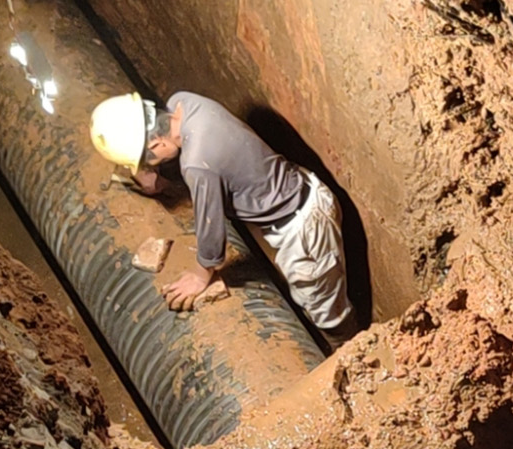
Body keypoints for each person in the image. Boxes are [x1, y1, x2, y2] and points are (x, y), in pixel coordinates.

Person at [89, 90, 358, 347]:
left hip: (304, 228)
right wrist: (161, 178)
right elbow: (205, 163)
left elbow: (211, 228)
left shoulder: (197, 163)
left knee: (324, 310)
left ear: (156, 143)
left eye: (151, 161)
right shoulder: (183, 102)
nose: (153, 165)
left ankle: (351, 350)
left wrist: (200, 275)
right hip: (300, 188)